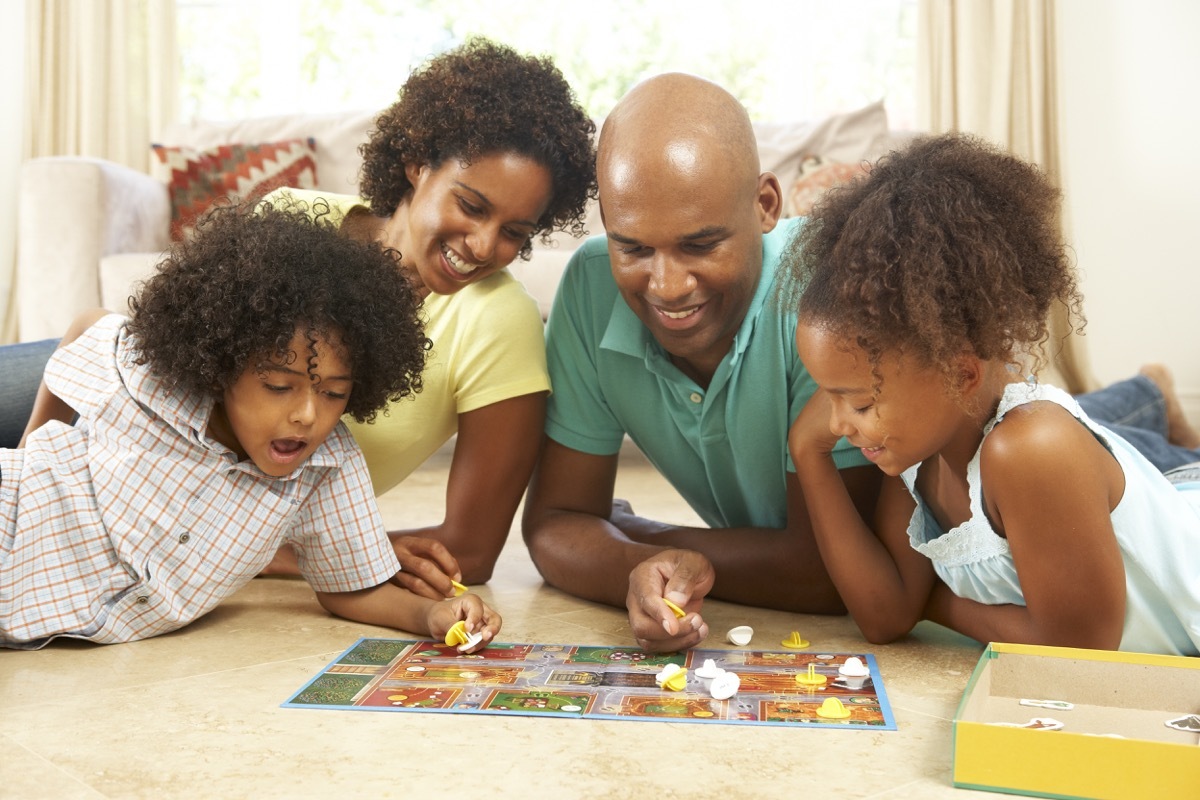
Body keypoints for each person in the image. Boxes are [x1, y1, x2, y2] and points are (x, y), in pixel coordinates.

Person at [2, 203, 502, 649]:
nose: (307, 414)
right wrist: (29, 448)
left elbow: (353, 587)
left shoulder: (327, 468)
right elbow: (89, 326)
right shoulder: (151, 378)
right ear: (222, 366)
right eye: (279, 387)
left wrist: (431, 614)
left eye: (333, 393)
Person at [783, 132, 1200, 656]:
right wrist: (807, 451)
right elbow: (885, 616)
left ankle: (1156, 402)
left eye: (861, 402)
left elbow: (1079, 652)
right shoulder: (916, 457)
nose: (838, 422)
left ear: (960, 376)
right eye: (829, 397)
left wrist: (933, 600)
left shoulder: (1032, 450)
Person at [520, 73, 880, 654]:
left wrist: (637, 533)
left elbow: (829, 572)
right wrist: (639, 568)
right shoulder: (590, 286)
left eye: (700, 244)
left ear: (765, 206)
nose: (666, 287)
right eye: (632, 247)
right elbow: (554, 525)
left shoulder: (825, 294)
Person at [244, 38, 597, 596]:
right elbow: (131, 372)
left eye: (514, 233)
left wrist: (274, 553)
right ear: (417, 163)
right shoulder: (290, 219)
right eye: (472, 206)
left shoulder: (498, 321)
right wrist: (350, 552)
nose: (483, 246)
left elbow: (472, 550)